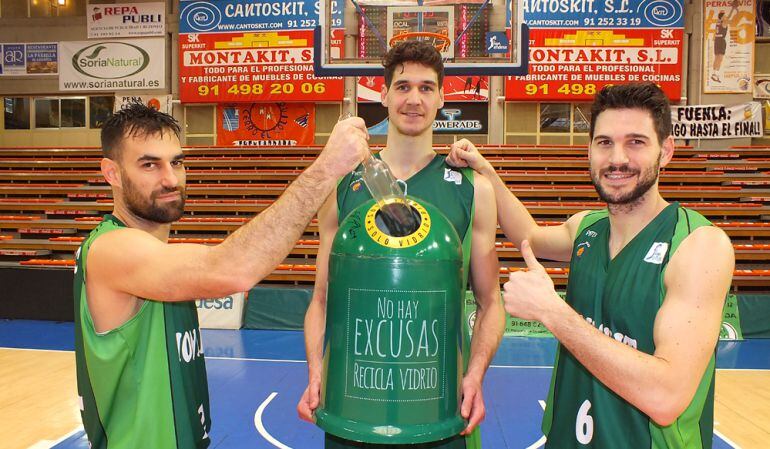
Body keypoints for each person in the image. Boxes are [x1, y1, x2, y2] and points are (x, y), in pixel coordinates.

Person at [447, 82, 734, 448]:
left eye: (636, 142)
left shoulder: (699, 247)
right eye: (604, 142)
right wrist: (485, 169)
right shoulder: (587, 229)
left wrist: (554, 312)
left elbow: (666, 397)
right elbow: (528, 235)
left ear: (666, 151)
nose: (617, 159)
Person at [74, 103, 368, 448]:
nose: (170, 178)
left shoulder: (155, 257)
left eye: (177, 162)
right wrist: (326, 169)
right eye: (149, 164)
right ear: (111, 173)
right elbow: (234, 269)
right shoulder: (112, 249)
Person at [297, 40, 505, 449]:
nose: (414, 99)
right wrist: (316, 371)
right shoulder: (342, 186)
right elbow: (321, 299)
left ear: (442, 97)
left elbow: (491, 303)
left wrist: (475, 374)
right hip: (352, 406)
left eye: (427, 88)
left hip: (439, 406)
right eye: (403, 86)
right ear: (385, 95)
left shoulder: (473, 189)